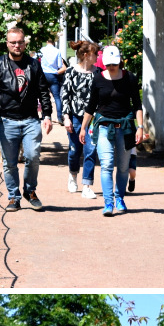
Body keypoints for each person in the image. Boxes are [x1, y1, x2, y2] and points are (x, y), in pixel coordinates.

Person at [0, 22, 50, 210]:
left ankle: (30, 191)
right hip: (7, 120)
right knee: (9, 162)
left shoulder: (34, 64)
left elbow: (43, 91)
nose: (17, 45)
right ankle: (13, 196)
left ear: (25, 43)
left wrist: (47, 115)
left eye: (20, 42)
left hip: (30, 119)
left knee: (33, 156)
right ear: (7, 44)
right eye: (13, 42)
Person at [84, 45, 144, 217]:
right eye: (108, 64)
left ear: (120, 61)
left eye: (114, 64)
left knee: (124, 167)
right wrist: (83, 128)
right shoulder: (98, 78)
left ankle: (120, 198)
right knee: (106, 165)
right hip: (104, 127)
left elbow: (137, 105)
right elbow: (91, 105)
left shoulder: (130, 78)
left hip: (125, 128)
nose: (111, 67)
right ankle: (108, 202)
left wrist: (140, 127)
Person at [61, 40, 99, 199]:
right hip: (75, 117)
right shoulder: (70, 72)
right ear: (86, 55)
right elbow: (65, 96)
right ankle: (73, 174)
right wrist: (66, 117)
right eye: (95, 54)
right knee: (74, 151)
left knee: (91, 150)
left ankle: (87, 186)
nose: (97, 56)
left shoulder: (98, 73)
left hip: (93, 119)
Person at [38, 37, 66, 130]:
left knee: (43, 95)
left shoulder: (42, 50)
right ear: (54, 41)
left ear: (47, 41)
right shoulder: (57, 51)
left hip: (43, 74)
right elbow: (59, 65)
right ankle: (59, 117)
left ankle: (44, 115)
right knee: (57, 97)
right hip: (53, 75)